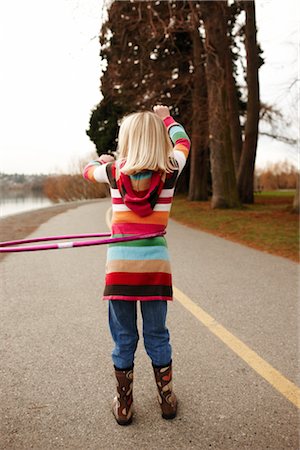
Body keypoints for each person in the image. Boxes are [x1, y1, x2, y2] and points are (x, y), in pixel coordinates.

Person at [83, 105, 190, 425]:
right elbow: (183, 142)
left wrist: (100, 162)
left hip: (120, 271)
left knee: (124, 336)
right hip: (156, 270)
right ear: (157, 139)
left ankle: (124, 403)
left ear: (126, 138)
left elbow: (87, 171)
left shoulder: (114, 172)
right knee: (158, 334)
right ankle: (166, 399)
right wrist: (167, 118)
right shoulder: (171, 168)